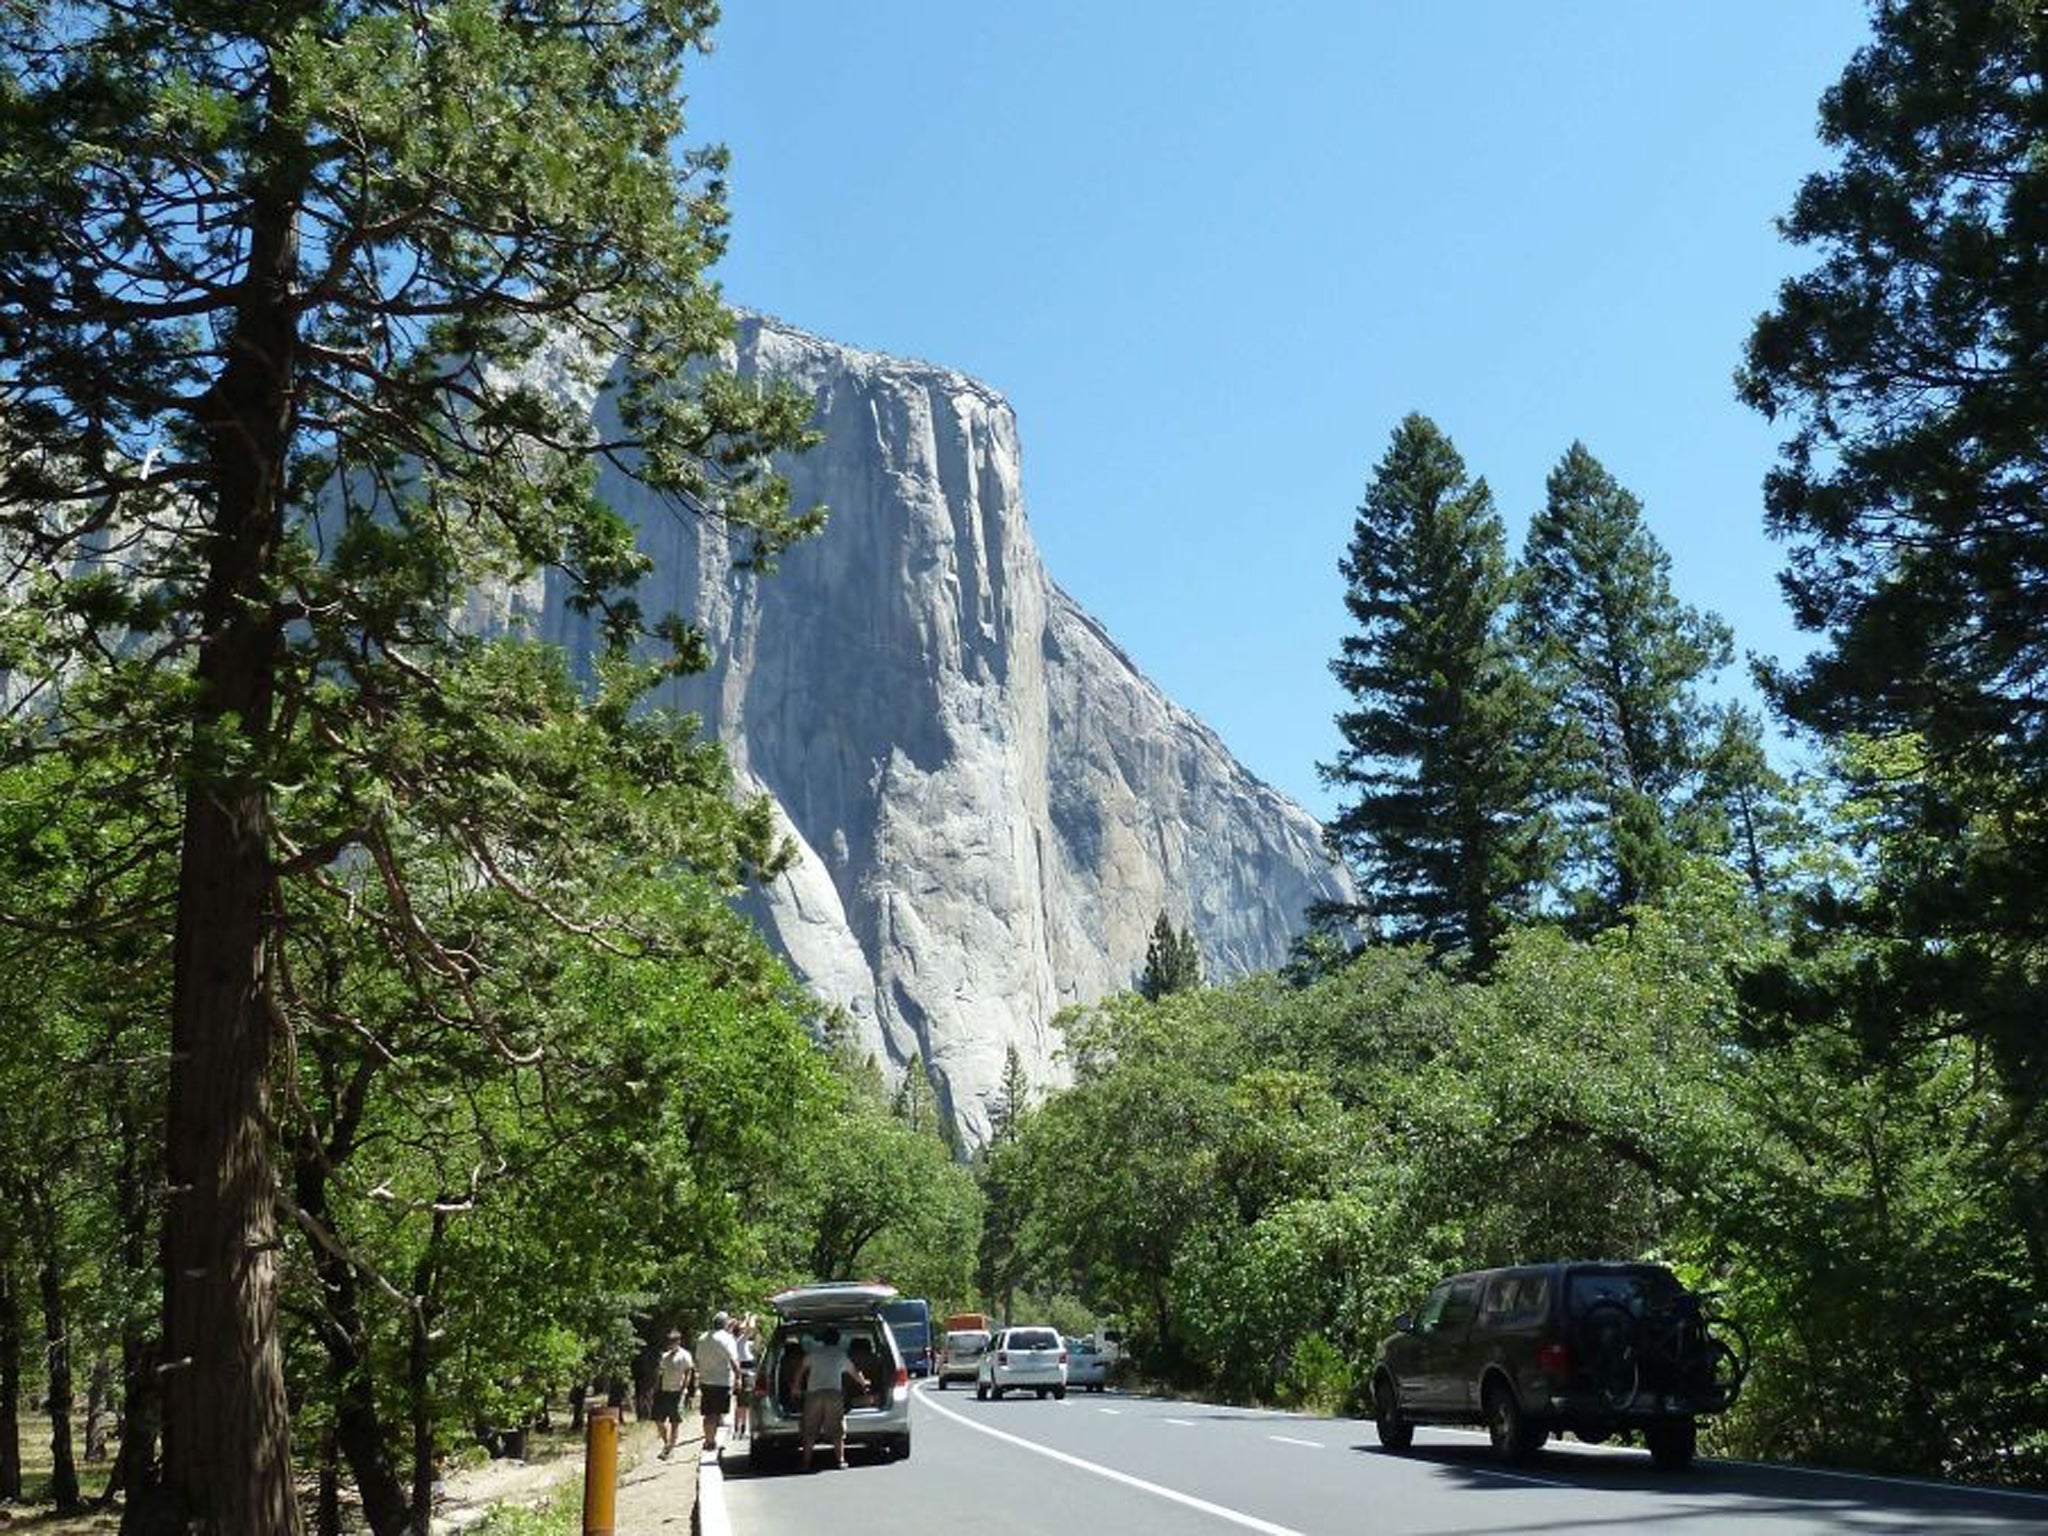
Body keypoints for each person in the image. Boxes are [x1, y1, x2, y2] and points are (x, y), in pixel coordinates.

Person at [793, 1325, 867, 1471]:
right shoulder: (840, 1355)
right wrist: (864, 1383)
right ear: (837, 1340)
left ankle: (806, 1463)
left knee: (809, 1430)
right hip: (833, 1394)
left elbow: (800, 1371)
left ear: (823, 1340)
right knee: (837, 1429)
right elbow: (854, 1373)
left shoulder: (814, 1354)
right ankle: (840, 1460)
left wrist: (796, 1387)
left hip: (814, 1393)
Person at [695, 1311, 744, 1457]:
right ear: (725, 1324)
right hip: (721, 1381)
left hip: (705, 1380)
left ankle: (709, 1440)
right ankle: (711, 1441)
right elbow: (733, 1360)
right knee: (715, 1413)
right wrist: (738, 1378)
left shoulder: (702, 1338)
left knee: (708, 1412)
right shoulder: (727, 1338)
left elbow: (698, 1359)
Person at [653, 1330, 695, 1460]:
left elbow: (688, 1372)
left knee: (675, 1421)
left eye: (673, 1341)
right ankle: (666, 1444)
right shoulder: (665, 1356)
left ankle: (671, 1448)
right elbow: (660, 1373)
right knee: (658, 1420)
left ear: (678, 1341)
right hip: (664, 1391)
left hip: (677, 1392)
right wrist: (656, 1387)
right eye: (669, 1341)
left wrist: (684, 1387)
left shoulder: (685, 1355)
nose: (670, 1344)